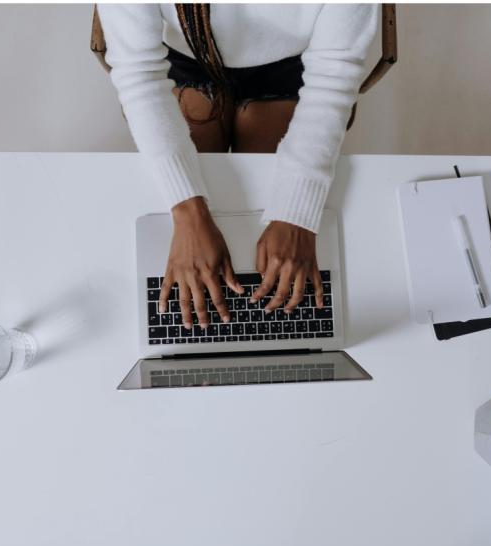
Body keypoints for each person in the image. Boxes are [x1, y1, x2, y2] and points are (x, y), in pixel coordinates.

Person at [97, 3, 379, 331]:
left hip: (292, 62)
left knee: (264, 263)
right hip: (188, 54)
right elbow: (138, 72)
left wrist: (296, 215)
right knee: (187, 261)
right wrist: (188, 212)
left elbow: (335, 74)